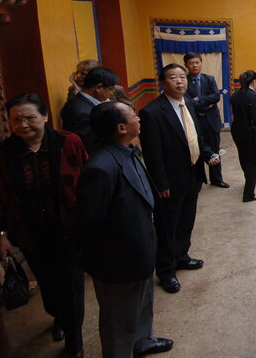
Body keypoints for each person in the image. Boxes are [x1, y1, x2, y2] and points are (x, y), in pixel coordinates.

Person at [0, 93, 87, 357]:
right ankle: (58, 316)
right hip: (29, 234)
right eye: (16, 119)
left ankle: (74, 343)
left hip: (70, 231)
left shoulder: (69, 142)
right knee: (48, 285)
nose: (23, 124)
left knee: (72, 285)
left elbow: (87, 181)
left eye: (30, 117)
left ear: (44, 117)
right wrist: (1, 235)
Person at [76, 101, 173, 358]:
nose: (138, 119)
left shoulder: (127, 151)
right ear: (121, 127)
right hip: (119, 262)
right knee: (119, 320)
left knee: (142, 305)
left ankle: (142, 341)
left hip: (140, 250)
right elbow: (88, 223)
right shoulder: (100, 167)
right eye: (133, 116)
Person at [138, 64, 220, 294]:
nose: (180, 81)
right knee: (167, 227)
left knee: (186, 220)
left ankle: (182, 256)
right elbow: (153, 153)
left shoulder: (190, 105)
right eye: (173, 78)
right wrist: (161, 183)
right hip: (170, 182)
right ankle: (165, 271)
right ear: (163, 83)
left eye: (182, 77)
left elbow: (196, 137)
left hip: (192, 174)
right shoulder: (152, 112)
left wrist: (208, 154)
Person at [184, 52, 229, 188]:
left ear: (201, 63)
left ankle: (216, 179)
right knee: (197, 150)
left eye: (197, 62)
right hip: (195, 121)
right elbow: (187, 102)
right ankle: (199, 180)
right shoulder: (184, 80)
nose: (194, 65)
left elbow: (216, 96)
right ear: (186, 65)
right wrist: (206, 103)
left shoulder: (209, 79)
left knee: (215, 149)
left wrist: (198, 100)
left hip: (211, 121)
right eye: (191, 63)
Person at [61, 67, 119, 154]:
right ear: (98, 87)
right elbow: (89, 146)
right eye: (110, 89)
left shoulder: (77, 101)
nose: (111, 93)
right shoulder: (83, 113)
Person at [230, 70, 256, 203]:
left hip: (237, 132)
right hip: (250, 133)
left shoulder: (234, 96)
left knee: (243, 158)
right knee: (252, 163)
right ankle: (249, 193)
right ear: (253, 81)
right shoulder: (253, 96)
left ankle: (248, 180)